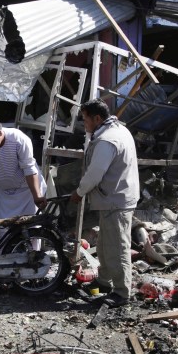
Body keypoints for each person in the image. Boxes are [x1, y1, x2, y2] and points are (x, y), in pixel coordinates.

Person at [70, 98, 139, 308]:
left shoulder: (107, 140)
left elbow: (95, 174)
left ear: (97, 118)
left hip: (115, 200)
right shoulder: (118, 130)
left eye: (85, 120)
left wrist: (79, 192)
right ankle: (104, 283)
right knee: (104, 245)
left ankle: (122, 292)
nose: (84, 124)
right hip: (114, 198)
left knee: (117, 248)